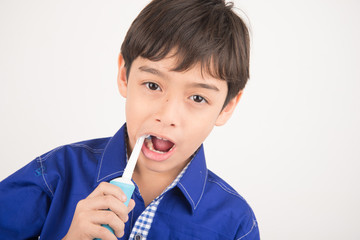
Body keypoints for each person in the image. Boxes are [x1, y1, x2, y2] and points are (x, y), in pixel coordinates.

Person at [0, 0, 260, 239]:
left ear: (227, 107)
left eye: (198, 98)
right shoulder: (57, 173)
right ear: (124, 76)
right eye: (152, 85)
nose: (167, 116)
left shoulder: (236, 224)